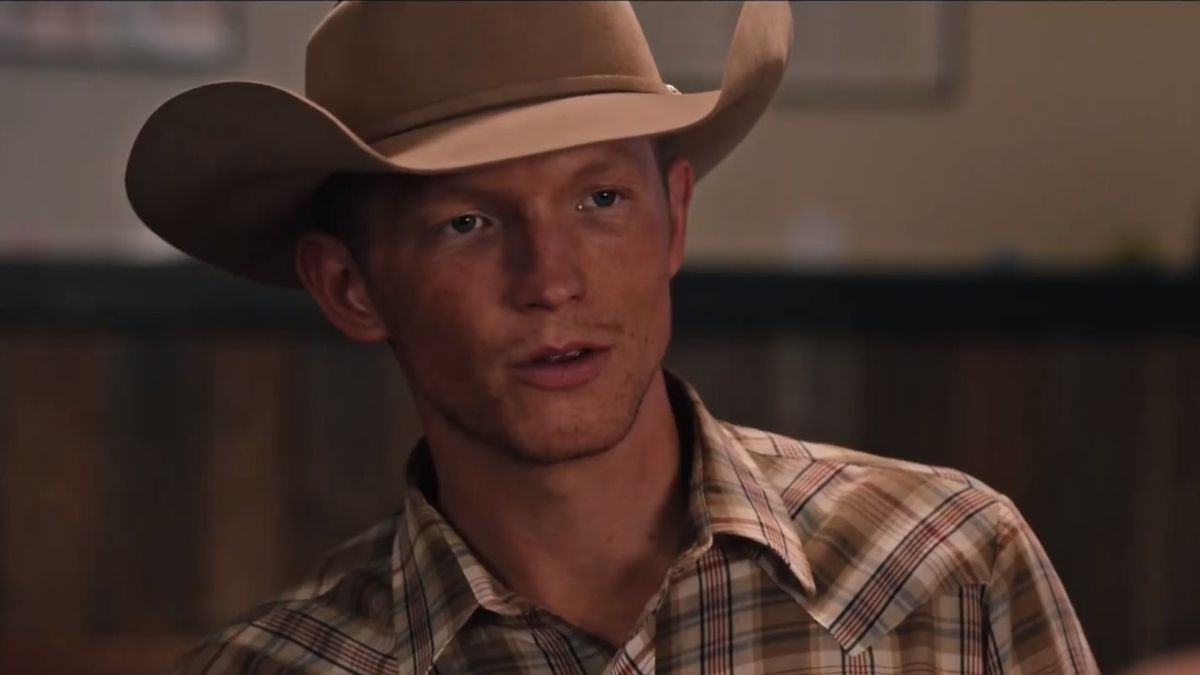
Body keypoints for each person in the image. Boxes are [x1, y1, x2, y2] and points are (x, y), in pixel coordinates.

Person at [126, 2, 1097, 673]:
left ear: (673, 222)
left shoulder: (948, 573)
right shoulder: (271, 668)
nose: (551, 280)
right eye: (467, 223)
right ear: (348, 287)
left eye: (600, 199)